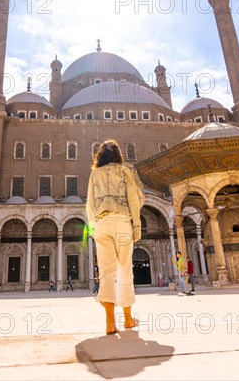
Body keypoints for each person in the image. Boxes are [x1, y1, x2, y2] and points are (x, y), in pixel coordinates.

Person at [86, 139, 145, 334]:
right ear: (118, 155)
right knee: (125, 270)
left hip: (102, 223)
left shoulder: (95, 174)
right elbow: (133, 200)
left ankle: (110, 323)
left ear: (100, 156)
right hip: (121, 222)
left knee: (107, 273)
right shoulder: (125, 171)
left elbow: (90, 204)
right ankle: (128, 319)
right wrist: (136, 226)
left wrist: (93, 227)